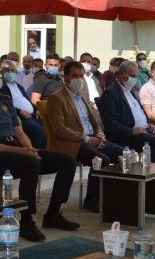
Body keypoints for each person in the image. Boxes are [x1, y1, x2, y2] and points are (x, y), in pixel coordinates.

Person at [0, 61, 80, 242]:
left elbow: (19, 132)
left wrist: (29, 148)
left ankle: (53, 214)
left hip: (17, 149)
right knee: (30, 163)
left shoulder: (5, 101)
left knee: (67, 161)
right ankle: (26, 221)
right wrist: (22, 152)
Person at [99, 60, 155, 193]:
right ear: (120, 74)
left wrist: (148, 123)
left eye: (136, 76)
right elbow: (109, 122)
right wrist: (131, 131)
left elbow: (138, 112)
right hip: (126, 135)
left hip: (144, 129)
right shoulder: (111, 93)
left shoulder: (130, 91)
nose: (134, 79)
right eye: (131, 75)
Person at [47, 61, 124, 212]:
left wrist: (99, 135)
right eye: (75, 76)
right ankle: (91, 198)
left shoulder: (83, 94)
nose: (79, 79)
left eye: (81, 76)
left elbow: (94, 121)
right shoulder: (56, 98)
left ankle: (111, 194)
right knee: (101, 160)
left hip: (92, 138)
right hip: (72, 142)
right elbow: (59, 130)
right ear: (66, 77)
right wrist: (87, 139)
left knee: (122, 154)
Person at [0, 60, 47, 149]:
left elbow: (27, 101)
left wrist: (37, 109)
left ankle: (43, 154)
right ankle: (31, 153)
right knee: (39, 131)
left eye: (12, 70)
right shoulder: (0, 87)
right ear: (1, 72)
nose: (10, 72)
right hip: (18, 117)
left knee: (48, 128)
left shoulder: (18, 86)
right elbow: (3, 104)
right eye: (7, 70)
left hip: (32, 115)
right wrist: (19, 111)